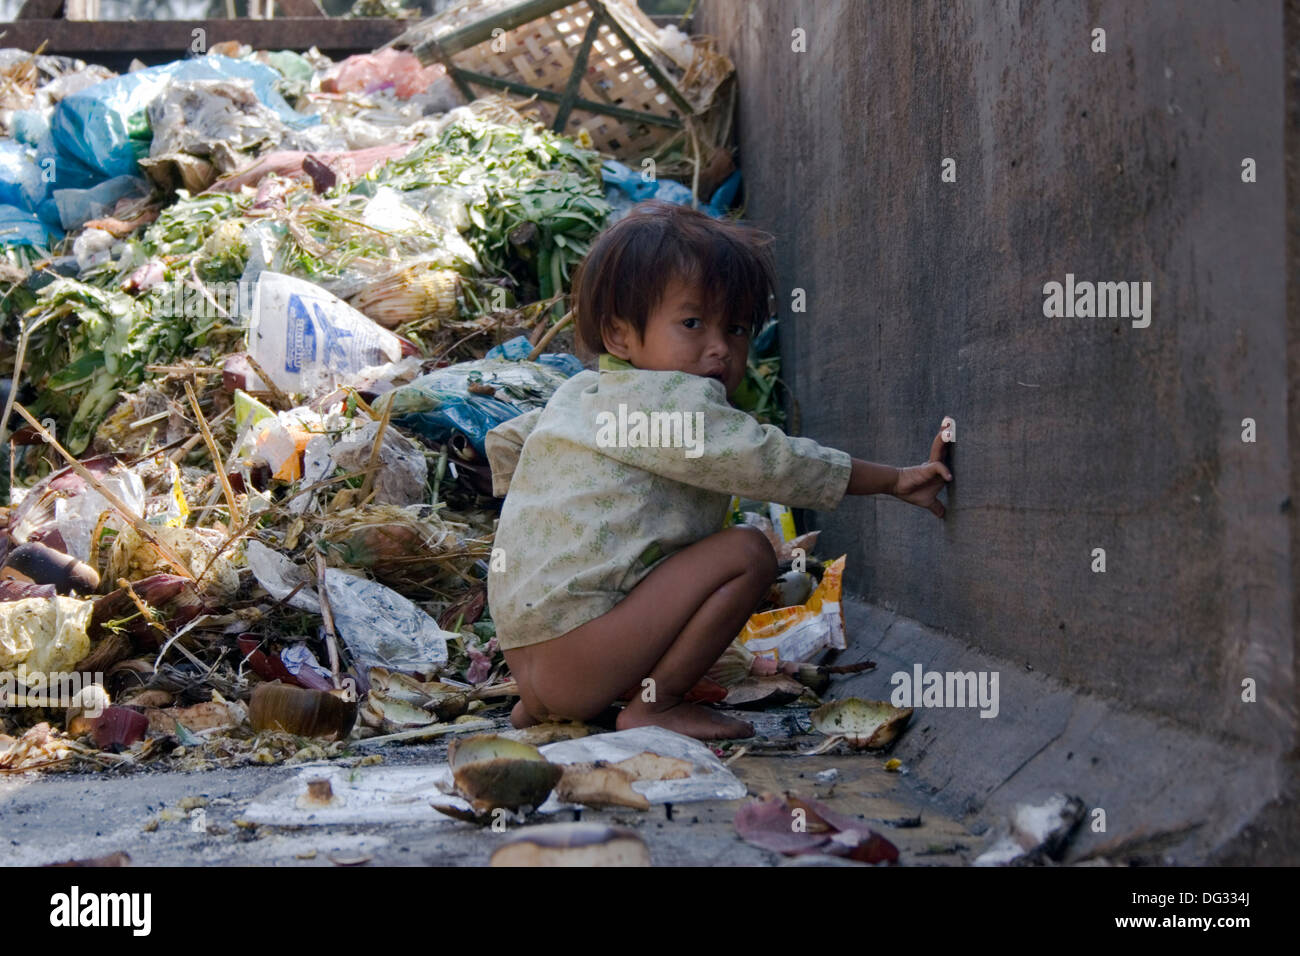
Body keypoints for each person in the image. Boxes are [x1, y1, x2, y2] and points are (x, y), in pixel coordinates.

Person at [485, 201, 952, 740]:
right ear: (619, 336)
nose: (720, 348)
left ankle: (551, 707)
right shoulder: (671, 402)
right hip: (587, 654)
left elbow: (508, 441)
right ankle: (657, 705)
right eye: (692, 323)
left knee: (662, 559)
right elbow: (770, 462)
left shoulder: (578, 393)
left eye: (735, 328)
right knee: (747, 551)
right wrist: (893, 480)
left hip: (531, 661)